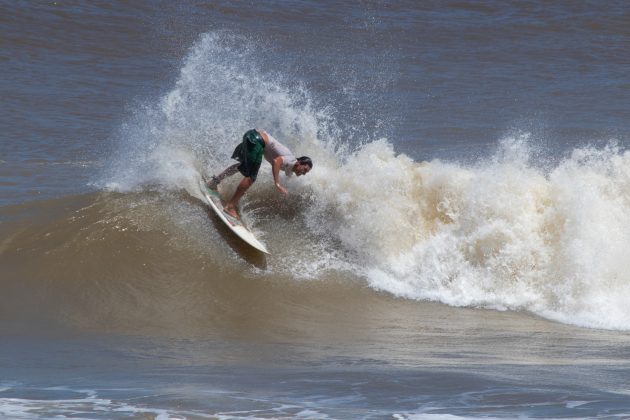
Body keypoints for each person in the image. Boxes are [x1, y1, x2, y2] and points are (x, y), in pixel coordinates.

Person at [207, 129, 313, 219]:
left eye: (306, 173)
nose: (303, 173)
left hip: (252, 135)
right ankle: (230, 207)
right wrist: (278, 184)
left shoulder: (290, 168)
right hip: (257, 141)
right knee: (251, 178)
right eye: (304, 169)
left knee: (241, 166)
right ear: (299, 162)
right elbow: (277, 162)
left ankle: (214, 182)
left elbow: (287, 175)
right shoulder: (291, 160)